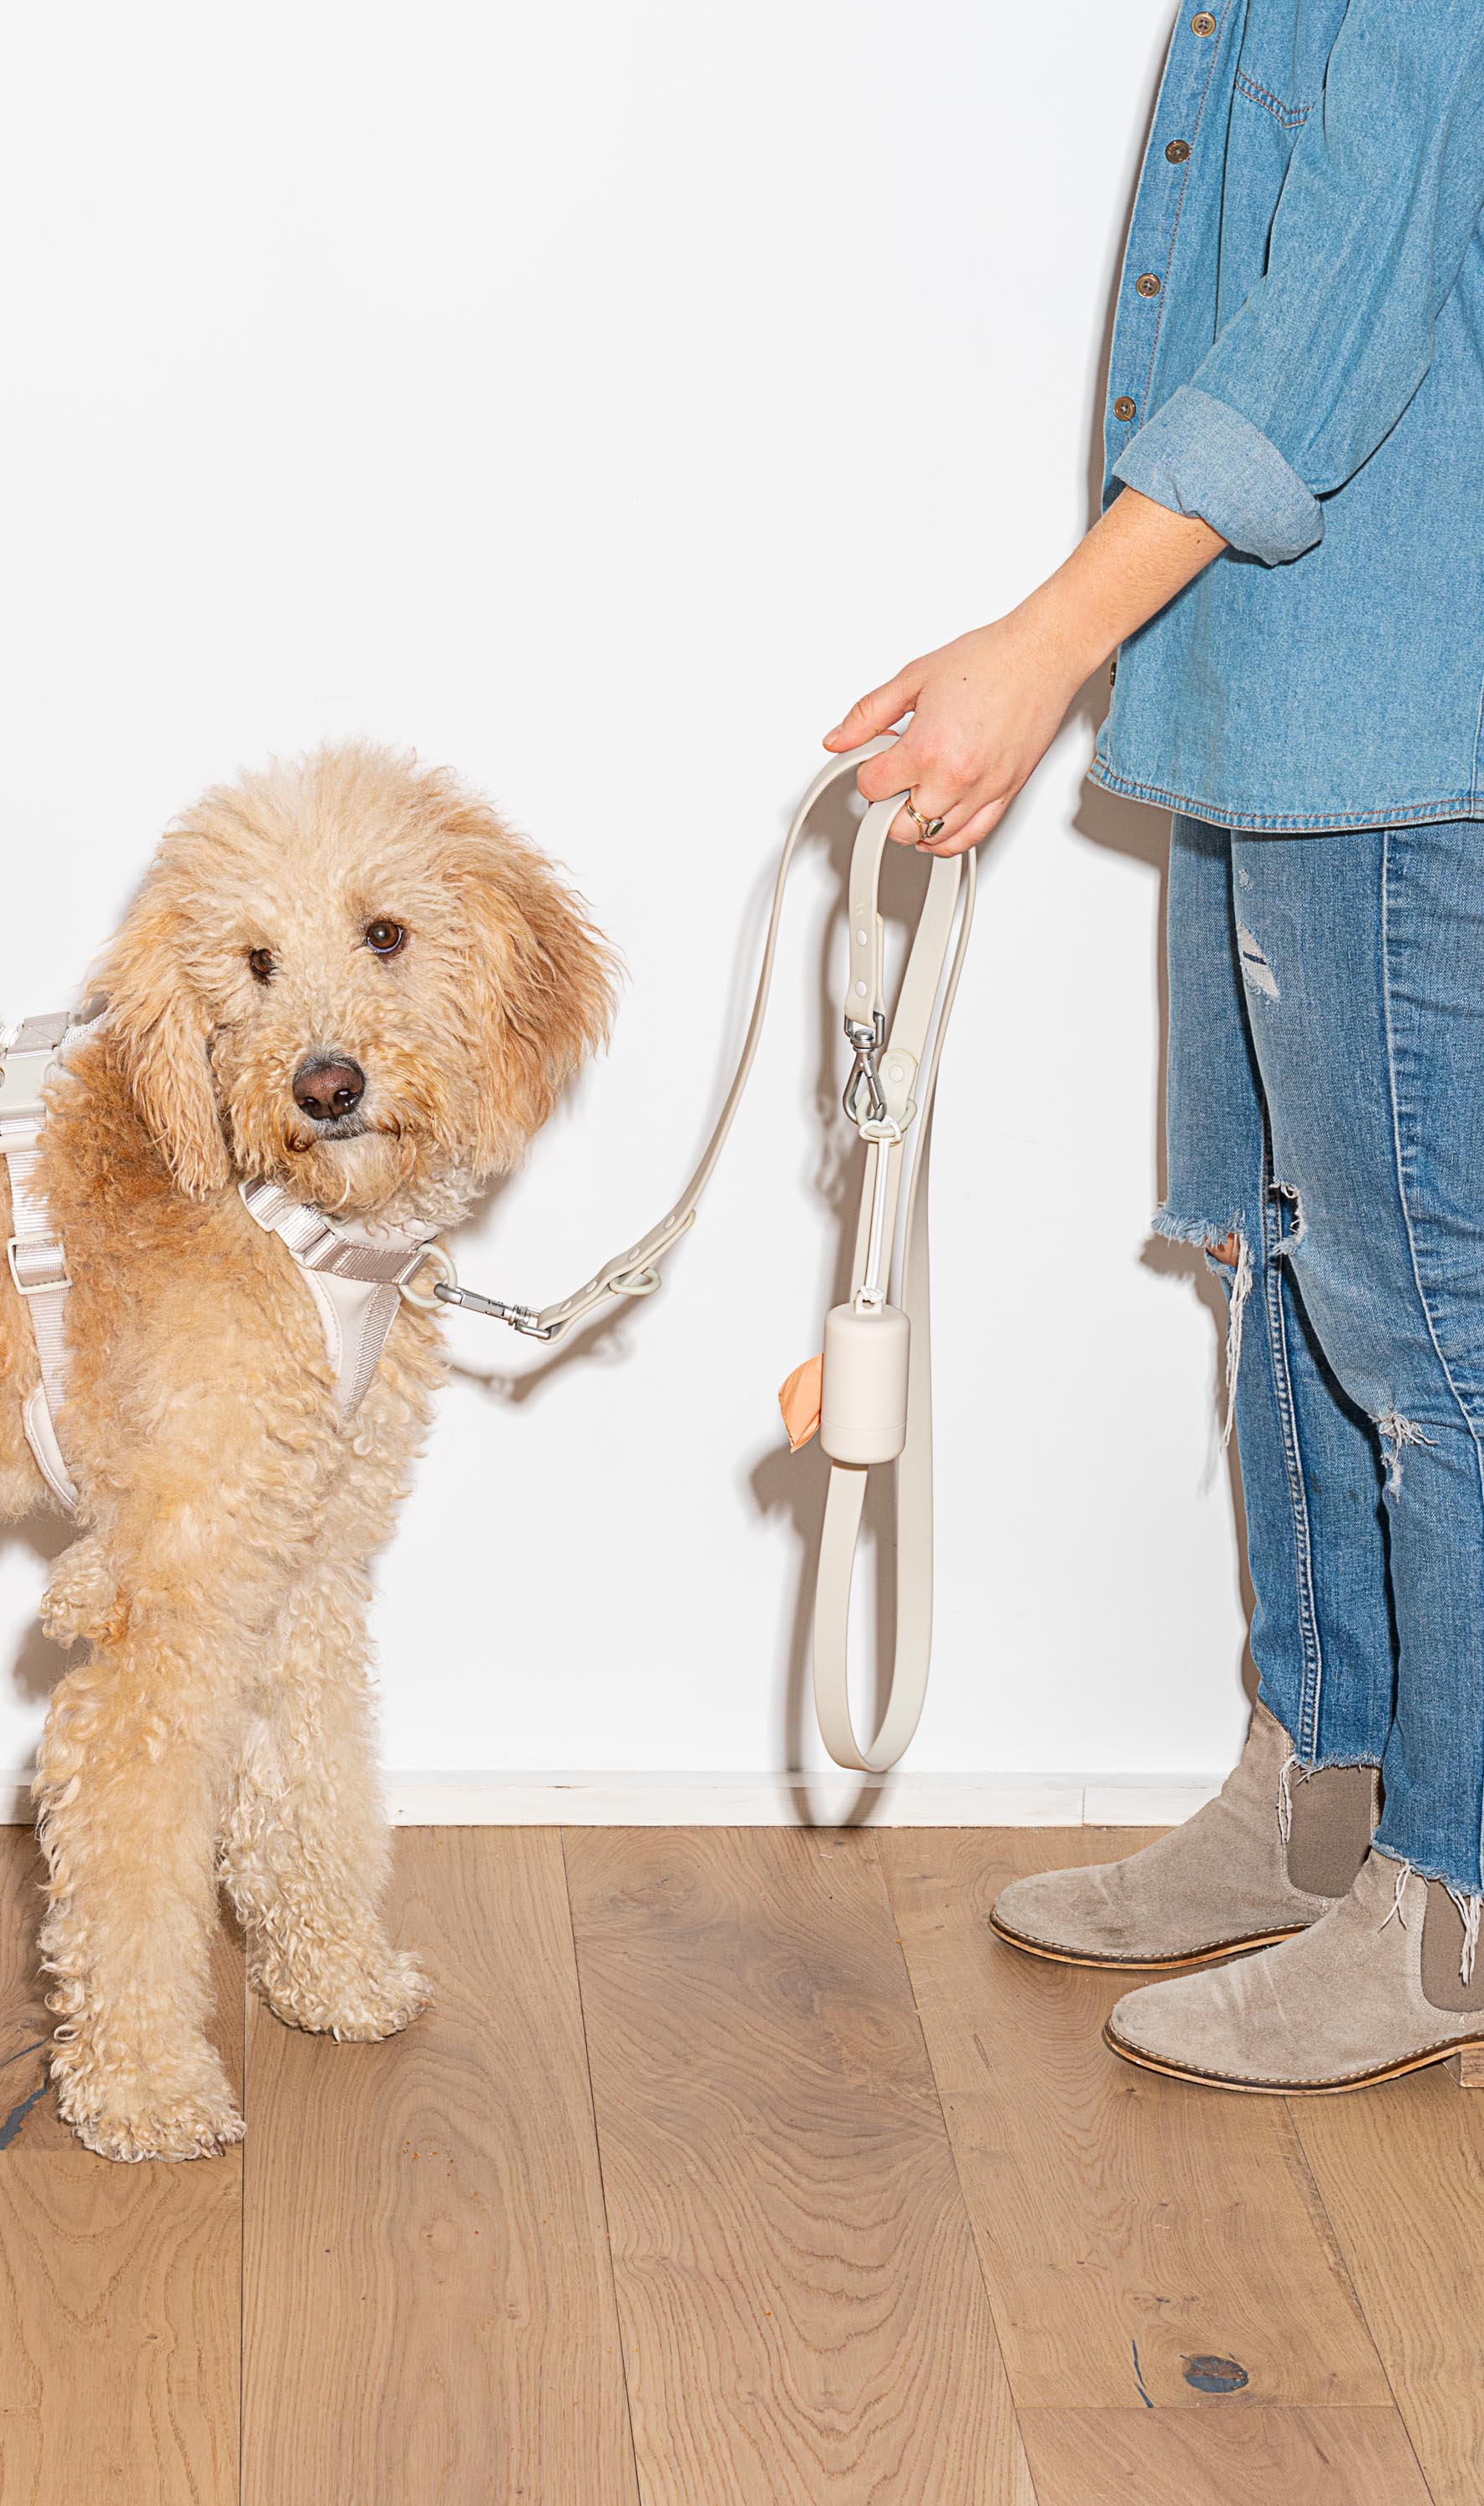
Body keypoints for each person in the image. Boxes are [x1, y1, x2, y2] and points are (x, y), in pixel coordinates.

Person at [825, 0, 1484, 2093]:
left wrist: (1040, 646)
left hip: (1398, 721)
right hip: (1255, 706)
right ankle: (1321, 1796)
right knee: (1264, 1254)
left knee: (1432, 1333)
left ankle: (1449, 1900)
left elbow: (1331, 325)